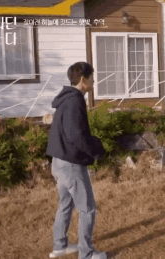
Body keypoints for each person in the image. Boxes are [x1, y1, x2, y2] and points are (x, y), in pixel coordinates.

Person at [46, 62, 107, 259]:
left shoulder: (66, 99)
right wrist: (96, 151)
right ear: (83, 80)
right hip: (70, 164)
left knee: (65, 204)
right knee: (88, 209)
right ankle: (87, 254)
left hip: (59, 161)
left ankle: (60, 247)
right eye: (92, 78)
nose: (94, 81)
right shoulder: (75, 101)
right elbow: (76, 135)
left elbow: (70, 133)